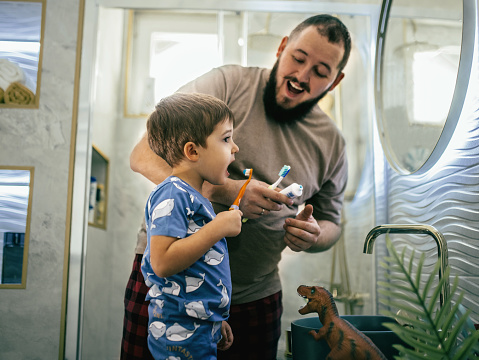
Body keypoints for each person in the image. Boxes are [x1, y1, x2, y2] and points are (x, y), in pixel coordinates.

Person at [126, 14, 351, 359]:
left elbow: (333, 222)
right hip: (170, 287)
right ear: (281, 47)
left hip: (253, 296)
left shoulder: (332, 143)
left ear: (335, 82)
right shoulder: (227, 84)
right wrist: (226, 191)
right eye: (298, 58)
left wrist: (314, 234)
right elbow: (143, 155)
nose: (302, 76)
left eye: (321, 72)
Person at [139, 92, 243, 359]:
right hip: (176, 328)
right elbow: (162, 262)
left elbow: (194, 270)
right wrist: (219, 227)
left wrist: (212, 318)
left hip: (196, 324)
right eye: (226, 139)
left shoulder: (194, 197)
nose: (235, 148)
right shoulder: (173, 193)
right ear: (193, 151)